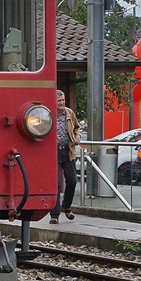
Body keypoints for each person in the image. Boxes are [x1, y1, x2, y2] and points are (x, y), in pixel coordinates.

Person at [51, 90, 80, 223]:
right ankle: (55, 215)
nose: (62, 103)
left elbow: (76, 128)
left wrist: (77, 138)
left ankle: (67, 206)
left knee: (72, 180)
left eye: (63, 100)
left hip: (68, 150)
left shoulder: (69, 113)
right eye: (59, 101)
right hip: (53, 152)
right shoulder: (48, 114)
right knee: (55, 184)